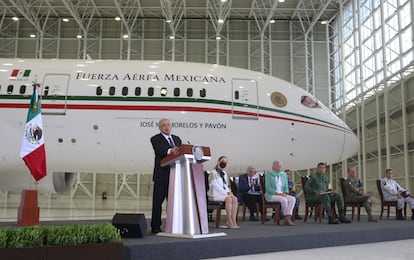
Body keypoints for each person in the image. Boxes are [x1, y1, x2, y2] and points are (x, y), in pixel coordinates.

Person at [150, 118, 182, 234]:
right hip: (161, 176)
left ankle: (173, 224)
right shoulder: (155, 139)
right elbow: (160, 151)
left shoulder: (177, 139)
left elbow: (180, 153)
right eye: (164, 125)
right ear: (160, 128)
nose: (166, 127)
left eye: (168, 125)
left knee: (173, 203)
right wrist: (170, 150)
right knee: (158, 202)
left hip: (175, 176)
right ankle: (155, 226)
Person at [207, 156, 239, 229]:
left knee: (235, 198)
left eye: (226, 162)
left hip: (223, 194)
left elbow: (225, 185)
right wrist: (226, 193)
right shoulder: (213, 172)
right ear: (218, 161)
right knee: (229, 199)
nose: (224, 163)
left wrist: (229, 192)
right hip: (214, 194)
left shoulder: (224, 173)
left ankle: (234, 220)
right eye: (223, 160)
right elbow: (215, 186)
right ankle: (229, 220)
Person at [265, 161, 296, 226]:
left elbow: (286, 186)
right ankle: (286, 218)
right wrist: (277, 193)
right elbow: (268, 188)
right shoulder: (269, 175)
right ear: (273, 167)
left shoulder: (283, 174)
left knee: (293, 199)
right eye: (277, 166)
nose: (279, 168)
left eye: (280, 166)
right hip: (271, 195)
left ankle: (288, 216)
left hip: (282, 194)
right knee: (284, 200)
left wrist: (285, 192)